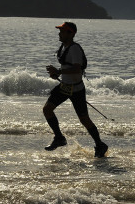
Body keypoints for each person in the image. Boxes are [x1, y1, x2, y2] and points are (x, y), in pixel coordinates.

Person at [43, 22, 108, 158]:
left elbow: (77, 68)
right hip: (65, 87)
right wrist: (57, 74)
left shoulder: (75, 49)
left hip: (76, 89)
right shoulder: (63, 47)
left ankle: (100, 144)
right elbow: (68, 68)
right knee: (47, 109)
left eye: (62, 31)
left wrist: (59, 71)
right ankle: (59, 138)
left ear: (71, 33)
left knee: (84, 119)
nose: (59, 33)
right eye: (60, 31)